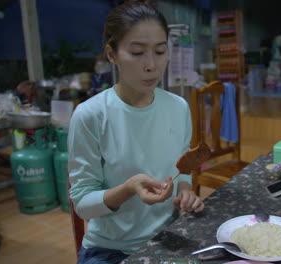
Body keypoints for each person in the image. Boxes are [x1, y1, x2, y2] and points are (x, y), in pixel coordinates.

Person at [68, 2, 204, 263]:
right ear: (112, 54)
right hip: (110, 250)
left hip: (168, 236)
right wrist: (129, 188)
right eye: (138, 52)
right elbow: (83, 204)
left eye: (160, 51)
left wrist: (185, 191)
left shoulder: (178, 107)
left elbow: (181, 170)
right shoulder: (91, 116)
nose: (152, 65)